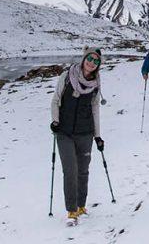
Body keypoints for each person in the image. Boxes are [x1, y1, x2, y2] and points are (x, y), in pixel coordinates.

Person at [50, 47, 105, 226]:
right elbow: (56, 99)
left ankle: (81, 206)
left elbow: (95, 108)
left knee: (83, 170)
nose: (92, 62)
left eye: (96, 61)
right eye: (90, 58)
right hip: (64, 132)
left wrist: (97, 136)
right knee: (70, 171)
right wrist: (55, 121)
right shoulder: (67, 76)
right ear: (84, 59)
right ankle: (72, 210)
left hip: (85, 133)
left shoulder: (96, 83)